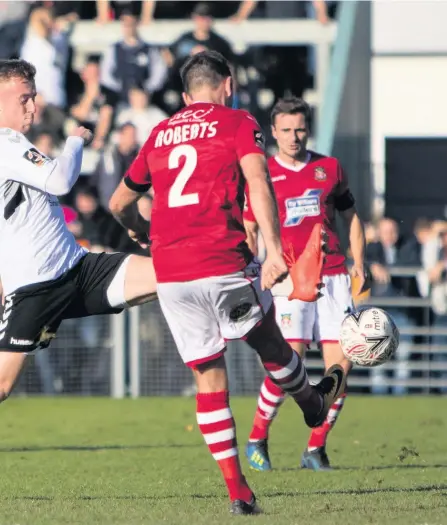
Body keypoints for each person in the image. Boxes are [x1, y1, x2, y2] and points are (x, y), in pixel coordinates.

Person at [109, 50, 346, 515]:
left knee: (208, 375)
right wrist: (275, 251)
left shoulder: (159, 133)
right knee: (269, 339)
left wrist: (138, 228)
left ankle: (239, 492)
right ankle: (311, 403)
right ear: (229, 84)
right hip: (222, 260)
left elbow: (120, 200)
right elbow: (259, 182)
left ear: (184, 96)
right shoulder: (237, 122)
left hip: (172, 274)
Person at [0, 59, 157, 403]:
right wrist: (74, 141)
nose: (32, 106)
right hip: (35, 288)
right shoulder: (5, 142)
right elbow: (58, 180)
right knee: (2, 386)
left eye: (34, 97)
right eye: (23, 98)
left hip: (79, 269)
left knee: (172, 273)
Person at [243, 96, 366, 472]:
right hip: (288, 277)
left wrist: (360, 262)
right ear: (273, 132)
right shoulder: (261, 173)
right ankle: (257, 437)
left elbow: (351, 216)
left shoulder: (329, 167)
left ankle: (315, 449)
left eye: (300, 129)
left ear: (307, 129)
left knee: (340, 368)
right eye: (286, 130)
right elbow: (249, 227)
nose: (294, 137)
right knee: (288, 363)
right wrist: (252, 267)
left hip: (333, 278)